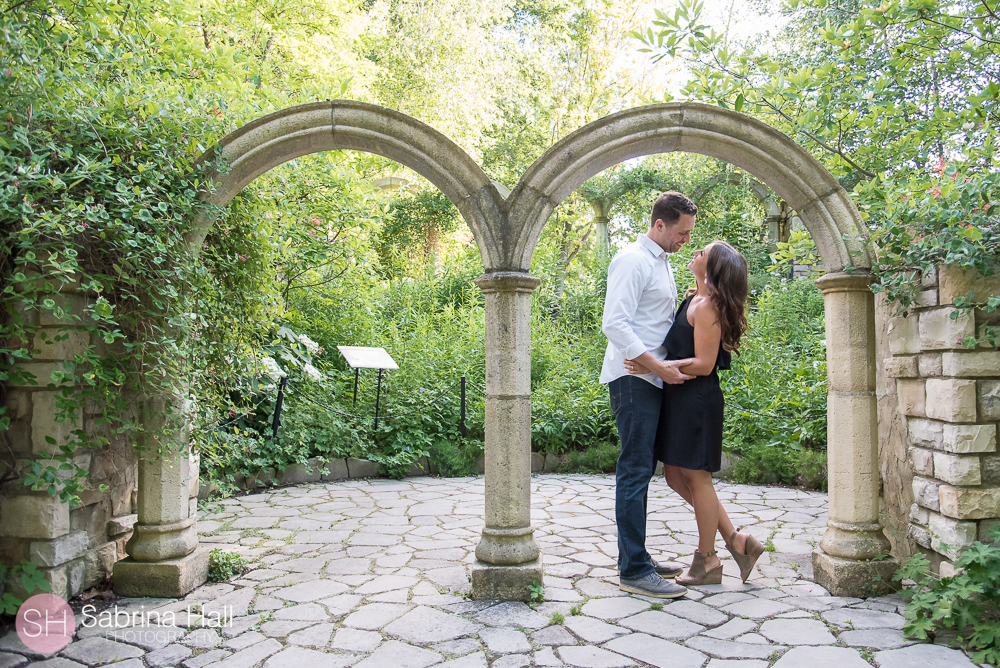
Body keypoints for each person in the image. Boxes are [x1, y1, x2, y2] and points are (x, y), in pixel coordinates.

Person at [625, 240, 765, 585]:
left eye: (701, 253)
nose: (694, 254)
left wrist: (653, 367)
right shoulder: (693, 298)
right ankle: (736, 540)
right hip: (679, 400)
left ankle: (707, 559)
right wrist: (657, 366)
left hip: (697, 401)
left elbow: (704, 365)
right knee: (674, 475)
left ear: (712, 268)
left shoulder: (707, 307)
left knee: (698, 478)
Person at [601, 191, 697, 598]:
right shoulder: (632, 260)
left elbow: (654, 322)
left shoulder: (660, 261)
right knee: (635, 470)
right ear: (660, 224)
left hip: (650, 378)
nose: (686, 240)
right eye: (682, 232)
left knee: (644, 470)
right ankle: (634, 571)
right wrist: (656, 367)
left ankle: (636, 556)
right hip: (633, 380)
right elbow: (615, 323)